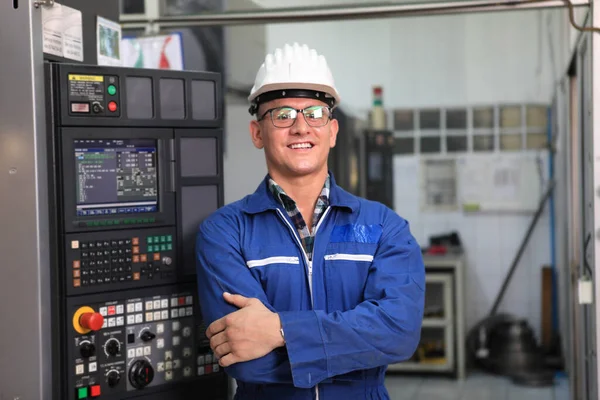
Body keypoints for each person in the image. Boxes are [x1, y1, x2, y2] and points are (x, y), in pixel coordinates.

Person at [195, 42, 425, 399]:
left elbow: (399, 332)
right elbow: (244, 359)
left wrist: (281, 331)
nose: (301, 127)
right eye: (283, 114)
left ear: (332, 131)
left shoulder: (384, 227)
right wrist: (354, 345)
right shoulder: (225, 232)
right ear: (258, 133)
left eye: (314, 113)